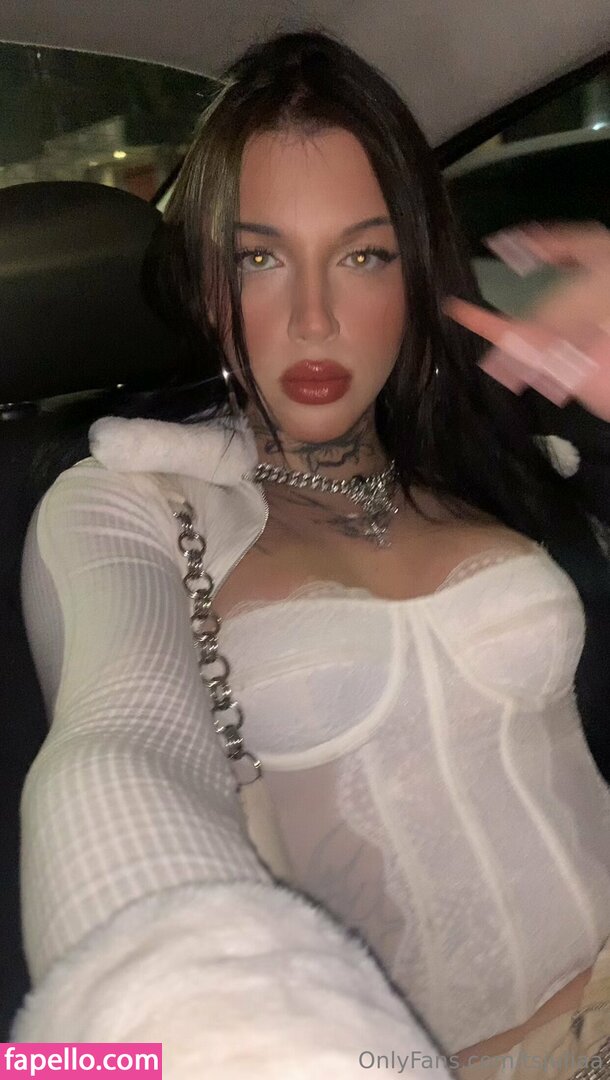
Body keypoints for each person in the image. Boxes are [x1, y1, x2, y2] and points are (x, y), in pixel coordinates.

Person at [14, 30, 610, 1079]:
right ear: (206, 282)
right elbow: (119, 745)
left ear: (414, 269)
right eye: (260, 258)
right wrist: (195, 1017)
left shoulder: (495, 445)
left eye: (363, 255)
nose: (315, 317)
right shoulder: (134, 500)